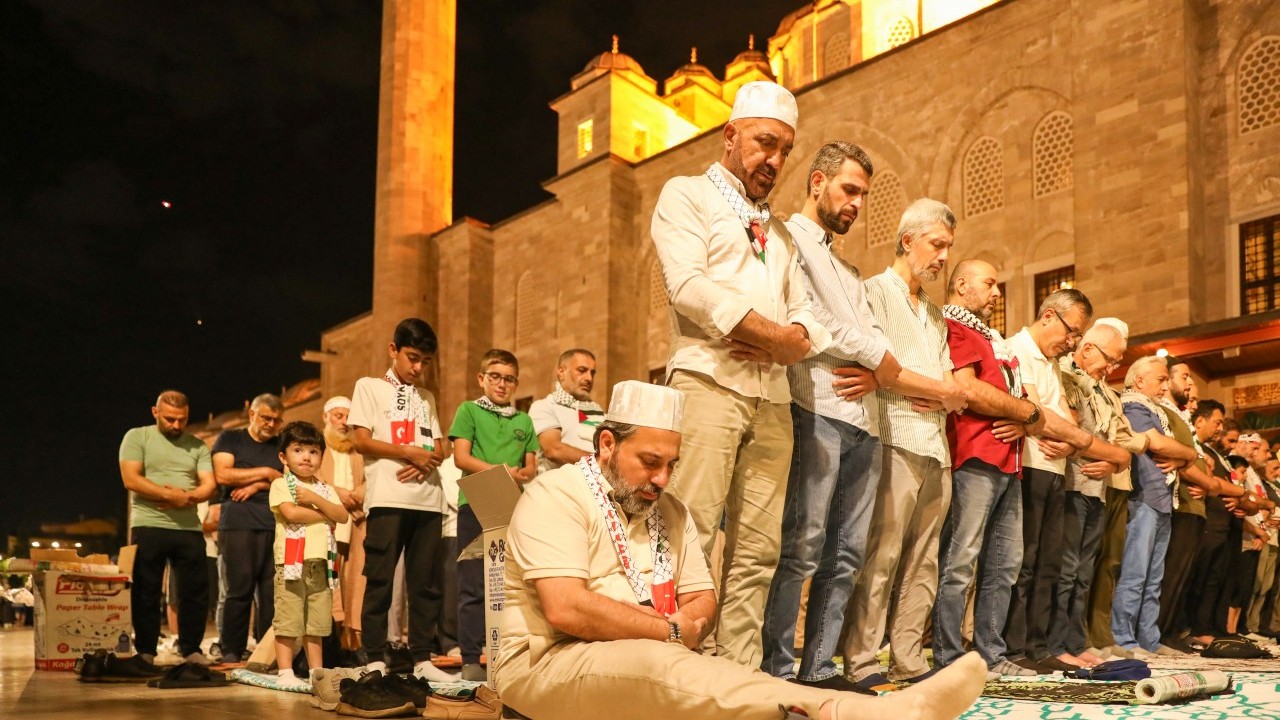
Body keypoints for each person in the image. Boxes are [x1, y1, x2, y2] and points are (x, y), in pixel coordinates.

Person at [493, 380, 988, 720]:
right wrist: (668, 629)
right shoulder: (556, 494)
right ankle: (875, 713)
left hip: (645, 648)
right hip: (547, 663)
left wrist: (676, 628)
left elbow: (701, 597)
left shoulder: (671, 511)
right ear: (605, 444)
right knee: (662, 666)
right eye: (649, 462)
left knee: (710, 674)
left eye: (671, 464)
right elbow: (566, 607)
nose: (662, 479)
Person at [765, 146, 965, 688]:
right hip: (823, 404)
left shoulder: (850, 269)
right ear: (817, 181)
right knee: (807, 545)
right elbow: (823, 322)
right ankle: (785, 669)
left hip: (874, 425)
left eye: (862, 195)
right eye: (849, 190)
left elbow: (872, 341)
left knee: (848, 554)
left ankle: (821, 668)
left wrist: (886, 369)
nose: (856, 203)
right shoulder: (790, 242)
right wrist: (885, 367)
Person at [650, 80, 831, 664]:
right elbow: (688, 287)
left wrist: (788, 343)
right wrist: (773, 334)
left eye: (784, 151)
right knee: (691, 535)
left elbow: (809, 316)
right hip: (706, 382)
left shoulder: (779, 233)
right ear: (730, 136)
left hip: (771, 399)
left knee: (758, 548)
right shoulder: (687, 195)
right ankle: (677, 671)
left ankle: (739, 673)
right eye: (763, 144)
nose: (774, 161)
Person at [840, 199, 969, 690]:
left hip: (936, 446)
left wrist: (938, 393)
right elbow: (881, 369)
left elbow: (946, 387)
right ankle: (862, 657)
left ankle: (909, 655)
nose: (942, 257)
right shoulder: (871, 292)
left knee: (926, 558)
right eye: (937, 245)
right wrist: (939, 391)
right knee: (883, 554)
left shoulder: (935, 315)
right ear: (907, 239)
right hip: (893, 438)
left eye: (948, 248)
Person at [933, 260, 1065, 678]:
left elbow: (1025, 402)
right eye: (989, 284)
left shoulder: (995, 341)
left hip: (1011, 462)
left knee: (1005, 564)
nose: (996, 293)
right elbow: (970, 390)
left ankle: (991, 654)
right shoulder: (956, 327)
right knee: (960, 560)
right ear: (960, 285)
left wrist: (1024, 414)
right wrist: (1025, 412)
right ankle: (949, 656)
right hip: (974, 455)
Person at [349, 318, 454, 682]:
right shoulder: (369, 387)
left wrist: (426, 459)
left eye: (425, 361)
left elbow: (441, 448)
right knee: (379, 578)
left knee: (425, 582)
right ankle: (375, 656)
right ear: (393, 350)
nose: (418, 368)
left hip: (428, 499)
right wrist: (408, 452)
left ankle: (422, 657)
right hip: (388, 496)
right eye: (412, 358)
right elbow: (360, 440)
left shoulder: (427, 397)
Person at [1003, 289, 1101, 673]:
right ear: (1048, 316)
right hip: (1026, 466)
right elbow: (1035, 413)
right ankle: (1014, 647)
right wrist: (1074, 439)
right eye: (1071, 331)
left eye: (1078, 336)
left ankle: (1038, 644)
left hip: (1056, 470)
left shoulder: (1051, 364)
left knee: (1049, 564)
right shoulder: (1017, 349)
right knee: (1023, 563)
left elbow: (1066, 421)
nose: (1072, 342)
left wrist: (1070, 438)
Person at [1048, 322, 1137, 667]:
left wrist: (1114, 462)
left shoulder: (1099, 391)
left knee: (1084, 572)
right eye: (1109, 360)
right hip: (1072, 485)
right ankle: (1057, 642)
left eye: (1117, 363)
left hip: (1097, 491)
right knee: (1066, 570)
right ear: (1086, 349)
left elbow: (1118, 447)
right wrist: (1111, 456)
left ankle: (1076, 638)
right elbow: (1069, 434)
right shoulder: (1067, 378)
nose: (1111, 369)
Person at [449, 348, 539, 680]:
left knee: (511, 584)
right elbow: (461, 457)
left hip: (512, 505)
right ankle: (471, 658)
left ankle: (507, 655)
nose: (502, 384)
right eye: (496, 377)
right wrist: (501, 471)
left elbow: (531, 466)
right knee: (473, 584)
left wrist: (521, 475)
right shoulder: (468, 410)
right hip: (475, 501)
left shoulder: (524, 420)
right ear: (482, 378)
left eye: (509, 379)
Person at [119, 390, 218, 671]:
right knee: (146, 590)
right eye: (170, 419)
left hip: (188, 526)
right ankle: (147, 651)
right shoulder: (137, 437)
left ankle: (190, 648)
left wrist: (187, 498)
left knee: (194, 591)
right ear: (155, 412)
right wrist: (170, 495)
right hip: (148, 523)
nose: (176, 425)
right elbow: (131, 478)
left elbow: (209, 484)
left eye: (182, 420)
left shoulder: (197, 445)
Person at [269, 421, 349, 688]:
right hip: (291, 562)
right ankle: (285, 672)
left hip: (320, 564)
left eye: (313, 452)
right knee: (289, 619)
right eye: (298, 450)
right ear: (284, 456)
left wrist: (316, 500)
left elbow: (342, 516)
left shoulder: (324, 489)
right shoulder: (281, 484)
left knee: (316, 621)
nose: (306, 457)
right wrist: (324, 514)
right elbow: (291, 513)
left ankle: (317, 671)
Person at [212, 393, 286, 663]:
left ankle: (266, 653)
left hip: (274, 524)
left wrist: (257, 483)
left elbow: (288, 479)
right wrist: (267, 473)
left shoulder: (281, 443)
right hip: (238, 524)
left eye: (277, 420)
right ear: (252, 414)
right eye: (266, 417)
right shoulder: (230, 438)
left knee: (270, 594)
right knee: (239, 589)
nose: (271, 424)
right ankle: (231, 649)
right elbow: (223, 474)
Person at [316, 395, 368, 651]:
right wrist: (339, 493)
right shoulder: (316, 448)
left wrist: (358, 492)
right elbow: (310, 479)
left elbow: (371, 478)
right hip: (324, 523)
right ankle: (330, 642)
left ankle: (352, 643)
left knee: (354, 581)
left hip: (356, 522)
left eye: (348, 417)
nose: (344, 422)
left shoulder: (359, 450)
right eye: (338, 416)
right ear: (325, 417)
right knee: (329, 579)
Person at [529, 349, 603, 471]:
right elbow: (553, 450)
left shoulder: (598, 411)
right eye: (582, 370)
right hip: (558, 486)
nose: (589, 378)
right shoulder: (544, 406)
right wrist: (601, 462)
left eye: (592, 373)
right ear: (561, 372)